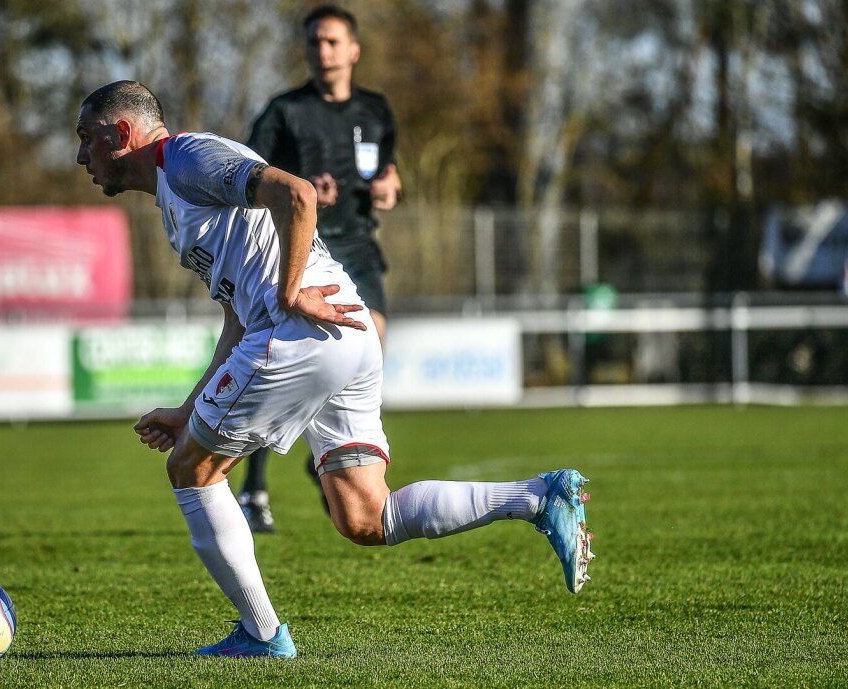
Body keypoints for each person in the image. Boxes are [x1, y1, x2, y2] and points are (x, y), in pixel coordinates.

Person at [75, 80, 595, 659]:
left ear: (121, 133)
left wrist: (291, 291)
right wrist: (190, 409)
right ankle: (537, 497)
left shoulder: (189, 158)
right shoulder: (175, 196)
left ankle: (262, 634)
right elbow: (236, 319)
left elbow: (296, 194)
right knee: (364, 515)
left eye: (85, 139)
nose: (80, 157)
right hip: (346, 331)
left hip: (301, 332)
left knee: (190, 470)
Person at [238, 5, 403, 532]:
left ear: (353, 50)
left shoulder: (375, 109)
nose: (322, 51)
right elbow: (248, 175)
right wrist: (303, 188)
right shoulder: (284, 111)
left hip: (356, 244)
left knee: (370, 337)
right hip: (299, 249)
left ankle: (333, 459)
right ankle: (255, 488)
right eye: (314, 43)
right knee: (280, 357)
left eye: (332, 42)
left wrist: (390, 187)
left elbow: (390, 168)